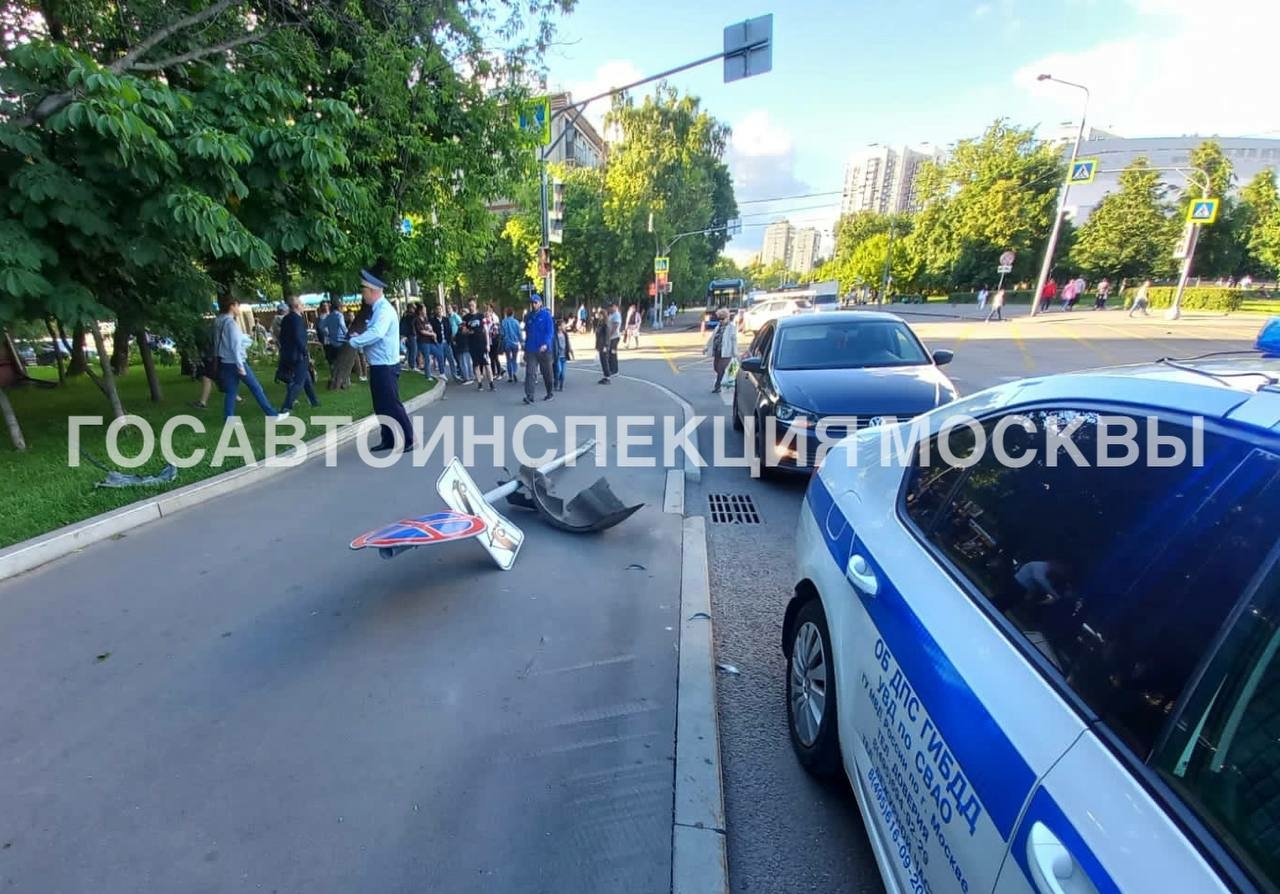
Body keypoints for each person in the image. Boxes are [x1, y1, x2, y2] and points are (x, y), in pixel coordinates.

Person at [347, 268, 413, 452]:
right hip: (378, 365)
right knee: (381, 406)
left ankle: (410, 438)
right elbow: (373, 332)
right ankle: (389, 439)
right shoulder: (378, 310)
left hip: (385, 366)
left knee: (392, 404)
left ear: (373, 291)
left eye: (364, 291)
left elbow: (377, 333)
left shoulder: (383, 310)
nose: (363, 294)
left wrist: (354, 341)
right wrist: (359, 336)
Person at [215, 293, 283, 419]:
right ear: (232, 306)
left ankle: (228, 418)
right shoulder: (231, 324)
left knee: (231, 392)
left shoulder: (218, 321)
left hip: (225, 361)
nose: (238, 309)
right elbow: (235, 346)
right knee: (256, 388)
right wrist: (240, 365)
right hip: (237, 362)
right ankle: (272, 414)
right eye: (237, 306)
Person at [277, 294, 320, 412]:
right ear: (296, 306)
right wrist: (305, 352)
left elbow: (282, 337)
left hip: (288, 353)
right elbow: (299, 337)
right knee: (299, 382)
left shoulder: (286, 318)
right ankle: (287, 406)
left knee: (306, 377)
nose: (303, 306)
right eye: (301, 304)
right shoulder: (297, 319)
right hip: (298, 355)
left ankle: (314, 401)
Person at [522, 293, 555, 404]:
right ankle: (529, 396)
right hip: (531, 349)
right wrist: (525, 350)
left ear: (540, 303)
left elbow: (550, 332)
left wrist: (546, 343)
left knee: (547, 373)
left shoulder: (546, 316)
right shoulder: (528, 317)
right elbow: (527, 333)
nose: (533, 304)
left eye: (535, 302)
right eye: (532, 303)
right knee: (530, 373)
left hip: (544, 350)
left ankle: (549, 392)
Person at [461, 299, 493, 391]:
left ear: (475, 305)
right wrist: (468, 331)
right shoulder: (465, 318)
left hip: (482, 342)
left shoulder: (481, 316)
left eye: (472, 305)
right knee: (476, 364)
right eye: (469, 305)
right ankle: (479, 383)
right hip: (472, 343)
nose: (471, 307)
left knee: (487, 363)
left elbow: (486, 330)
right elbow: (463, 330)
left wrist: (487, 344)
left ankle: (491, 383)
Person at [705, 308, 738, 393]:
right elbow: (712, 338)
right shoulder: (718, 327)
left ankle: (717, 386)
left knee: (720, 369)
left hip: (726, 352)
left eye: (722, 319)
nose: (721, 321)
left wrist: (735, 352)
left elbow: (734, 340)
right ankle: (720, 381)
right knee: (716, 368)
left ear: (727, 318)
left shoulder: (731, 328)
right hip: (717, 351)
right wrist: (706, 347)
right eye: (719, 319)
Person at [599, 302, 621, 384]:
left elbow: (615, 326)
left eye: (611, 307)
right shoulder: (611, 314)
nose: (609, 309)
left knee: (613, 353)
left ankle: (615, 370)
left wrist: (609, 336)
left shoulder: (616, 315)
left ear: (615, 307)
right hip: (610, 338)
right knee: (610, 354)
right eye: (609, 307)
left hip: (614, 337)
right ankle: (611, 369)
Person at [449, 304, 472, 383]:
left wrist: (455, 338)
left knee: (464, 362)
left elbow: (462, 334)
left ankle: (467, 377)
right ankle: (468, 376)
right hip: (462, 345)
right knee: (465, 361)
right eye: (462, 313)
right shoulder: (462, 324)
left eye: (464, 312)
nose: (463, 314)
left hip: (464, 345)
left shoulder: (464, 325)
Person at [413, 303, 435, 375]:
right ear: (420, 311)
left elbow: (429, 327)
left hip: (428, 341)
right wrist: (431, 333)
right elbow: (421, 331)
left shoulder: (426, 319)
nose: (425, 311)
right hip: (422, 341)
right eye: (424, 310)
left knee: (431, 357)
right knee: (426, 358)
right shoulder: (417, 320)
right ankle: (428, 374)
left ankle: (428, 372)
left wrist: (430, 329)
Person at [501, 307, 522, 383]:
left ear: (506, 313)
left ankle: (510, 376)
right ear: (513, 313)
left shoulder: (503, 322)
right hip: (515, 343)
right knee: (514, 358)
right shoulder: (516, 322)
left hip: (507, 343)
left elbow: (502, 333)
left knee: (508, 359)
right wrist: (521, 341)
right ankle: (515, 372)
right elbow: (519, 333)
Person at [553, 317, 573, 392]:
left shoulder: (565, 334)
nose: (564, 326)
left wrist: (570, 350)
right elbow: (554, 345)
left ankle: (561, 385)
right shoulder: (555, 335)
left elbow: (568, 343)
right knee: (559, 370)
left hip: (564, 355)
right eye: (563, 325)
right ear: (559, 327)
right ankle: (556, 383)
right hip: (558, 355)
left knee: (563, 373)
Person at [486, 304, 504, 378]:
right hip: (490, 342)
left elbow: (496, 334)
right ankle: (493, 373)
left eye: (488, 316)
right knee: (491, 358)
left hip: (494, 342)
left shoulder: (494, 321)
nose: (487, 318)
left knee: (495, 357)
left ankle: (499, 372)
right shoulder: (486, 323)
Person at [400, 304, 419, 373]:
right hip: (411, 334)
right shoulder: (409, 316)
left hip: (409, 334)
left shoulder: (406, 315)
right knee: (413, 350)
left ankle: (411, 364)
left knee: (411, 350)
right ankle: (412, 365)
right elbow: (410, 325)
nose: (414, 309)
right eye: (413, 308)